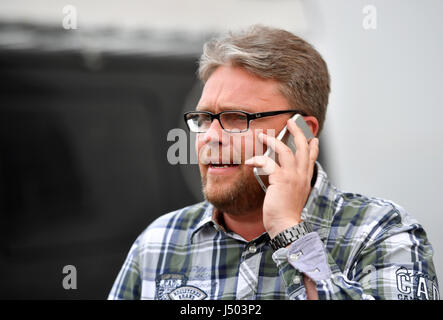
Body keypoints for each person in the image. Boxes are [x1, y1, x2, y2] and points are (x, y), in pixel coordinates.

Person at [108, 25, 439, 300]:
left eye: (236, 118)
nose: (210, 136)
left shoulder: (381, 232)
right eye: (204, 118)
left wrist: (290, 232)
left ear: (300, 133)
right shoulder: (159, 243)